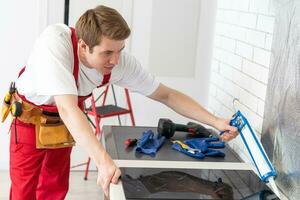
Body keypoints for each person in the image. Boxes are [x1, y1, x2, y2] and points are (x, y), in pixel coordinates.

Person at [6, 5, 238, 200]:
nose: (116, 60)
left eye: (120, 50)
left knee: (54, 189)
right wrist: (104, 162)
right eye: (108, 53)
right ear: (83, 46)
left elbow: (165, 95)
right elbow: (67, 108)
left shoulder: (118, 62)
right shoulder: (55, 43)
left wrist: (216, 121)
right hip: (30, 118)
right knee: (24, 191)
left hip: (65, 125)